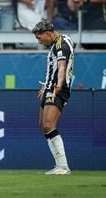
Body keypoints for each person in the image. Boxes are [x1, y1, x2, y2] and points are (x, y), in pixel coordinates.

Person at [32, 20, 74, 175]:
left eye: (39, 37)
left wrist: (58, 85)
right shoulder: (59, 42)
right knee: (43, 126)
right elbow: (55, 67)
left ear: (48, 33)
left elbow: (62, 67)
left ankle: (63, 166)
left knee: (49, 125)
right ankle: (59, 165)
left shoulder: (60, 45)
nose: (39, 41)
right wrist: (46, 85)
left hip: (57, 89)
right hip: (50, 87)